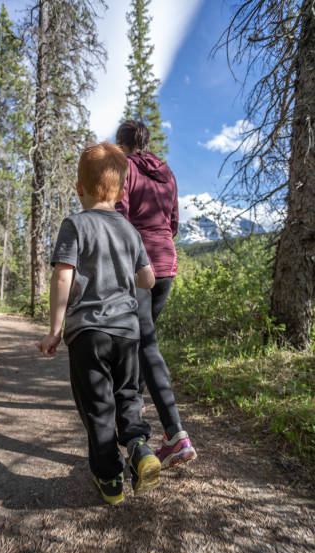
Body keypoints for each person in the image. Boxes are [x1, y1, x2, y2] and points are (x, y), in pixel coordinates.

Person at [37, 142, 161, 505]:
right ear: (122, 192)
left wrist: (55, 330)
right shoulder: (128, 229)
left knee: (97, 405)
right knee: (127, 395)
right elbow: (149, 280)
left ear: (79, 188)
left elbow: (63, 276)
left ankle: (110, 480)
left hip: (88, 332)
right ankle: (138, 445)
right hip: (126, 333)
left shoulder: (74, 225)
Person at [115, 120, 197, 469]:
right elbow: (174, 222)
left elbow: (119, 216)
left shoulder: (124, 168)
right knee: (144, 338)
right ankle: (141, 402)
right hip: (166, 264)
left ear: (122, 145)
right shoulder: (168, 174)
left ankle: (176, 435)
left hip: (139, 264)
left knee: (145, 343)